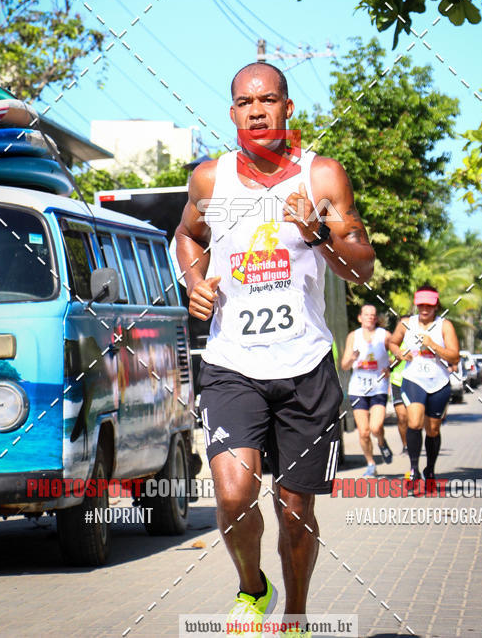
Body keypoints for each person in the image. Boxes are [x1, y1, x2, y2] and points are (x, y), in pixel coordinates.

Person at [175, 62, 375, 633]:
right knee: (235, 495)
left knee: (295, 511)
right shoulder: (211, 180)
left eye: (268, 99)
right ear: (233, 113)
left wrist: (319, 233)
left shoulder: (322, 177)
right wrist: (196, 283)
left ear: (288, 107)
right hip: (232, 364)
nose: (257, 109)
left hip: (306, 366)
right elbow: (187, 235)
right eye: (244, 102)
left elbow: (360, 267)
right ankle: (252, 587)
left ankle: (296, 615)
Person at [389, 285, 459, 483]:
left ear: (436, 305)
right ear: (416, 305)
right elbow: (393, 343)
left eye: (429, 305)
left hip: (439, 382)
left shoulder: (445, 326)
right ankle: (413, 469)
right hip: (414, 380)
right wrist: (399, 354)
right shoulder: (406, 323)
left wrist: (434, 346)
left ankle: (430, 470)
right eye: (421, 305)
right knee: (414, 422)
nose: (425, 309)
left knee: (433, 430)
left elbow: (455, 356)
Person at [341, 304, 393, 477]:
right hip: (358, 388)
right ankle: (371, 463)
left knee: (376, 427)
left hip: (378, 387)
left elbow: (398, 354)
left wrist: (390, 367)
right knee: (363, 431)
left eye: (373, 314)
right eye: (366, 314)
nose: (370, 317)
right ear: (360, 317)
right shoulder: (353, 336)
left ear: (376, 318)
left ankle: (381, 441)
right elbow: (344, 365)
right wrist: (352, 358)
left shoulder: (384, 335)